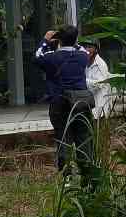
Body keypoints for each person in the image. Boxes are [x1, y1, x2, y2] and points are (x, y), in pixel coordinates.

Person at [34, 25, 97, 182]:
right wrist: (68, 38)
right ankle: (87, 176)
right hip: (82, 103)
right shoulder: (82, 56)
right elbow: (80, 47)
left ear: (59, 39)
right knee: (84, 138)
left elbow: (37, 56)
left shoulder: (51, 57)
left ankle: (67, 178)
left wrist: (46, 40)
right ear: (75, 39)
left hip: (60, 103)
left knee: (64, 138)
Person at [83, 40, 114, 119]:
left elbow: (99, 83)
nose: (87, 50)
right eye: (85, 47)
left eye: (90, 47)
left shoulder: (100, 64)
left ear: (96, 50)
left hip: (100, 103)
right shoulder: (85, 62)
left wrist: (82, 80)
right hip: (89, 102)